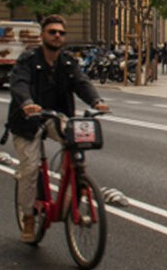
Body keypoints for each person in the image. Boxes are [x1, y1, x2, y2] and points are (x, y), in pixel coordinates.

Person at [6, 15, 108, 242]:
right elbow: (19, 83)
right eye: (52, 32)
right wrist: (26, 103)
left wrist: (95, 101)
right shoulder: (28, 59)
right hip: (27, 120)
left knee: (76, 148)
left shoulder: (67, 62)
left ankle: (74, 182)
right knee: (30, 168)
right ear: (42, 35)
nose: (57, 36)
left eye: (61, 33)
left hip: (54, 117)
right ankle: (29, 216)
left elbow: (81, 82)